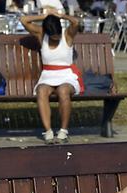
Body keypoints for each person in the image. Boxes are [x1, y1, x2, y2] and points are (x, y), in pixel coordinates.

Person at [20, 11, 83, 144]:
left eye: (57, 35)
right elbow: (24, 20)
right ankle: (48, 132)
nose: (56, 38)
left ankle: (63, 131)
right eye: (53, 36)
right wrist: (45, 16)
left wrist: (60, 16)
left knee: (63, 91)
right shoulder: (41, 34)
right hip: (48, 76)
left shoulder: (67, 35)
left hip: (66, 75)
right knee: (41, 91)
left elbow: (76, 22)